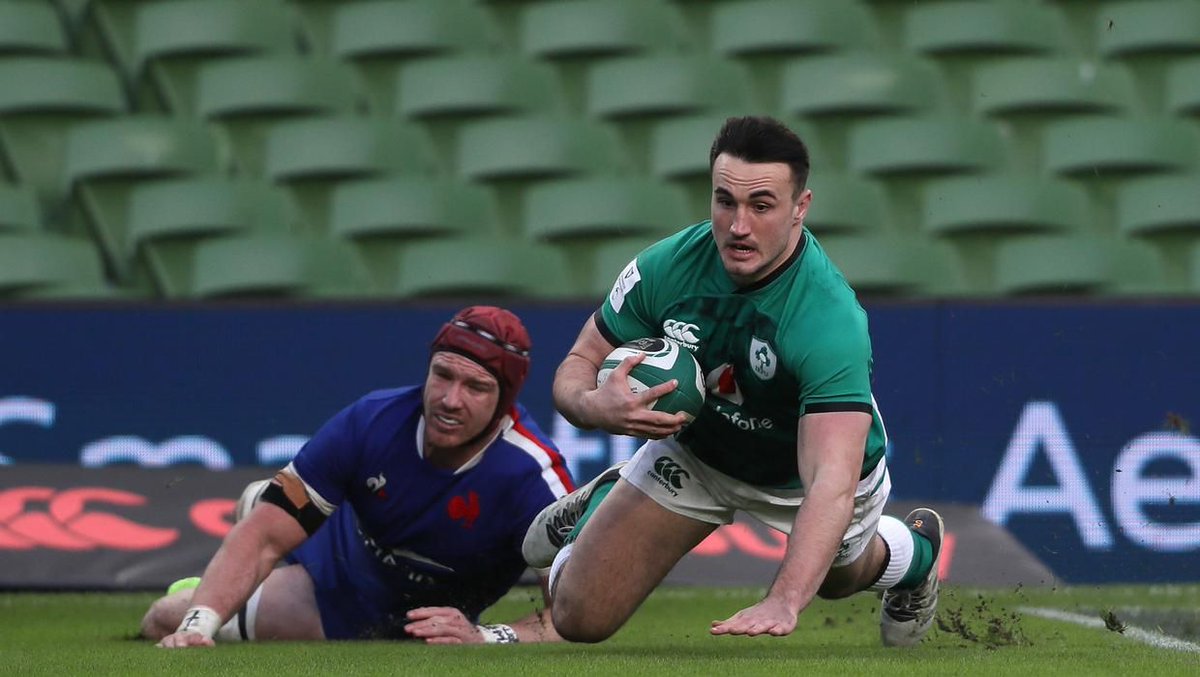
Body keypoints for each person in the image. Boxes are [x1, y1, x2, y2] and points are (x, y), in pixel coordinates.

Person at [521, 115, 944, 647]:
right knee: (577, 620)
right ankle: (608, 499)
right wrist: (590, 406)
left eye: (761, 206)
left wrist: (785, 599)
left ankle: (916, 557)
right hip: (699, 453)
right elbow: (580, 360)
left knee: (841, 580)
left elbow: (830, 484)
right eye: (725, 201)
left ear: (800, 208)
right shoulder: (667, 266)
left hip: (803, 478)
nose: (738, 225)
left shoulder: (828, 317)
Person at [142, 305, 574, 647]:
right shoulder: (373, 420)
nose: (450, 400)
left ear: (505, 402)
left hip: (400, 620)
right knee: (167, 619)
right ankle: (224, 574)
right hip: (331, 580)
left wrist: (483, 636)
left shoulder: (534, 477)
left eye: (475, 387)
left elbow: (572, 613)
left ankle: (239, 560)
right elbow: (264, 538)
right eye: (442, 375)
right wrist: (198, 625)